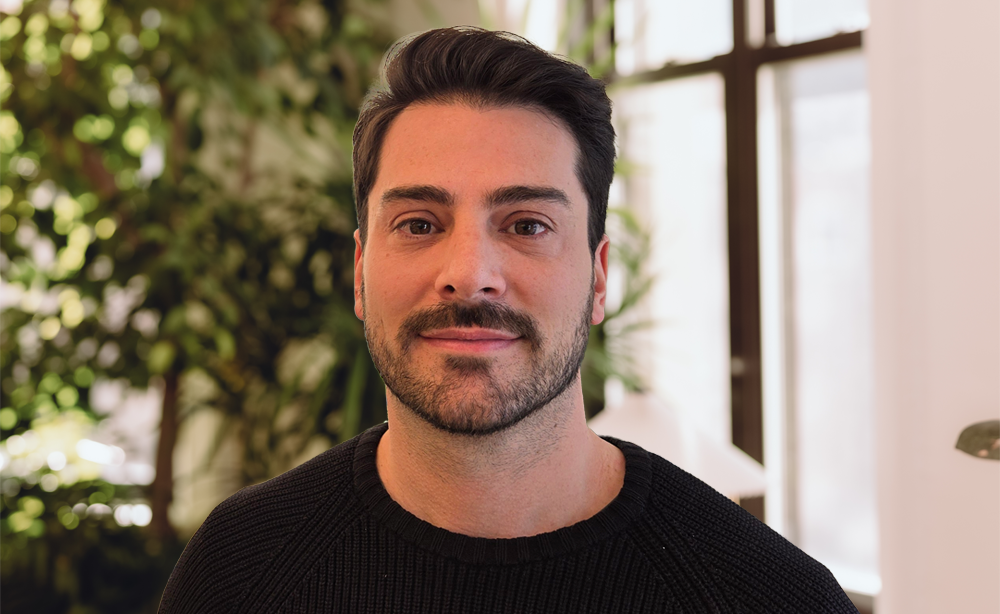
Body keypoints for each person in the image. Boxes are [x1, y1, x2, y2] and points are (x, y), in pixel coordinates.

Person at [159, 27, 858, 613]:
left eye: (526, 223)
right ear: (361, 273)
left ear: (599, 276)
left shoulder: (765, 598)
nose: (470, 272)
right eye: (419, 222)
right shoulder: (240, 571)